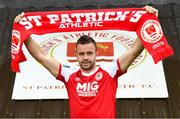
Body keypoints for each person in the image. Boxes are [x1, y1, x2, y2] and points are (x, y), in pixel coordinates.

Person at [14, 6, 158, 118]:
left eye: (89, 53)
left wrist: (149, 21)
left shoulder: (110, 70)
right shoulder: (68, 73)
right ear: (75, 54)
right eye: (82, 54)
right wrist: (24, 33)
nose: (86, 57)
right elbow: (41, 56)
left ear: (97, 53)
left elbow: (134, 51)